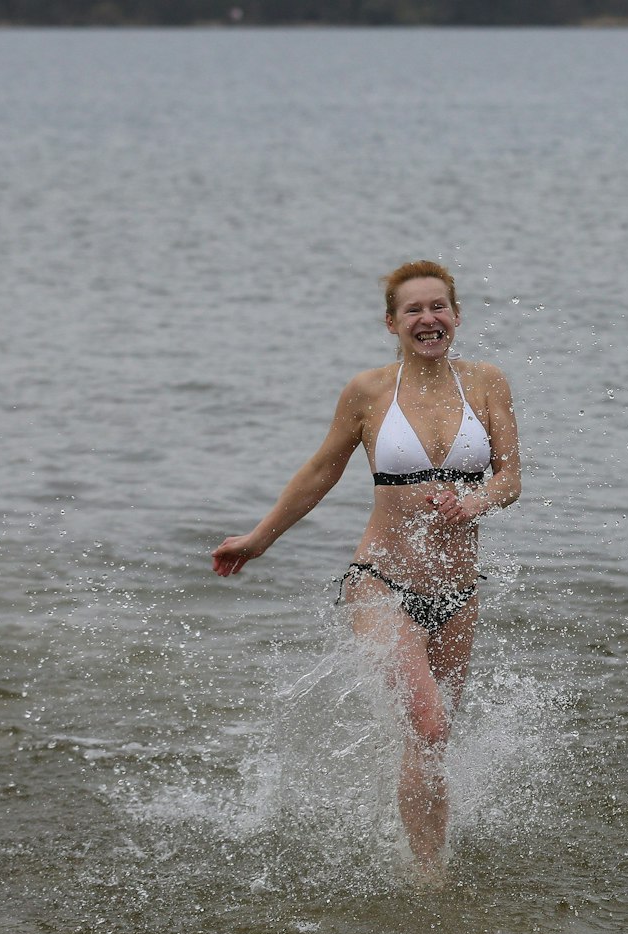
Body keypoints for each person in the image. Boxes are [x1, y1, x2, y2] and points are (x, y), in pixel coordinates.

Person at [212, 260, 522, 881]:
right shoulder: (369, 391)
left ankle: (425, 865)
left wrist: (475, 502)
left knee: (432, 740)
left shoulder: (487, 382)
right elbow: (320, 472)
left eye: (439, 307)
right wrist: (260, 539)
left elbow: (510, 478)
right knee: (428, 723)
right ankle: (429, 881)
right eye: (414, 310)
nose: (428, 319)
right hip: (381, 583)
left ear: (457, 316)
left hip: (459, 591)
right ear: (391, 323)